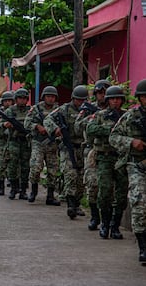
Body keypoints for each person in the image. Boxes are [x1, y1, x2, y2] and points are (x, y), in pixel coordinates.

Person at [109, 79, 146, 262]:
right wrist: (131, 142)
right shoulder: (130, 116)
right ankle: (143, 247)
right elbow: (113, 137)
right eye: (145, 96)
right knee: (139, 202)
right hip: (138, 166)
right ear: (139, 98)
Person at [86, 86, 128, 239]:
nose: (115, 101)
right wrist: (109, 129)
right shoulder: (100, 115)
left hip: (122, 158)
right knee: (104, 192)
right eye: (112, 98)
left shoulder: (127, 116)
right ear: (108, 100)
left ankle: (115, 226)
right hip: (104, 157)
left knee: (122, 194)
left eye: (118, 98)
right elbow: (90, 130)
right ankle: (104, 223)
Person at [44, 85, 88, 219]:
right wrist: (55, 129)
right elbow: (48, 120)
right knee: (70, 175)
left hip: (82, 147)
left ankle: (77, 204)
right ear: (73, 98)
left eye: (83, 100)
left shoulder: (88, 110)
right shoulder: (64, 109)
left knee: (81, 179)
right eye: (78, 100)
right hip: (67, 147)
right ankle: (70, 206)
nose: (80, 103)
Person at [75, 79, 111, 230]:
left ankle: (109, 221)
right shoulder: (89, 109)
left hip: (111, 152)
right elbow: (77, 127)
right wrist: (90, 119)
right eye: (99, 93)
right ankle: (95, 217)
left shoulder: (114, 110)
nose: (101, 96)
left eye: (104, 93)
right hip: (92, 151)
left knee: (110, 189)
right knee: (92, 185)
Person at [24, 86, 61, 206]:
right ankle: (33, 191)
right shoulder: (36, 109)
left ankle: (50, 196)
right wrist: (37, 127)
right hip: (38, 142)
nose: (51, 99)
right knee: (35, 167)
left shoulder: (58, 110)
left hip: (52, 144)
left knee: (53, 171)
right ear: (44, 97)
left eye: (53, 97)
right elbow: (27, 123)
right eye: (48, 96)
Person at [4, 89, 31, 200]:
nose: (22, 100)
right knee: (12, 166)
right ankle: (13, 188)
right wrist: (6, 125)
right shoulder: (10, 110)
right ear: (16, 99)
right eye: (20, 98)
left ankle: (23, 190)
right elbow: (1, 123)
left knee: (25, 167)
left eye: (24, 98)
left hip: (26, 141)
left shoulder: (30, 110)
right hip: (14, 142)